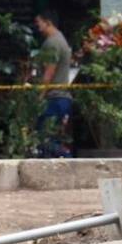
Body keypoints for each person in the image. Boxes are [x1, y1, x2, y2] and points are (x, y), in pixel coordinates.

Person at [33, 9, 73, 157]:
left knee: (46, 140)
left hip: (53, 98)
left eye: (39, 22)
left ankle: (68, 163)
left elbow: (49, 72)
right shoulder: (61, 39)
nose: (37, 26)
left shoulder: (52, 43)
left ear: (48, 22)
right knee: (53, 139)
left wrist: (40, 96)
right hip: (61, 98)